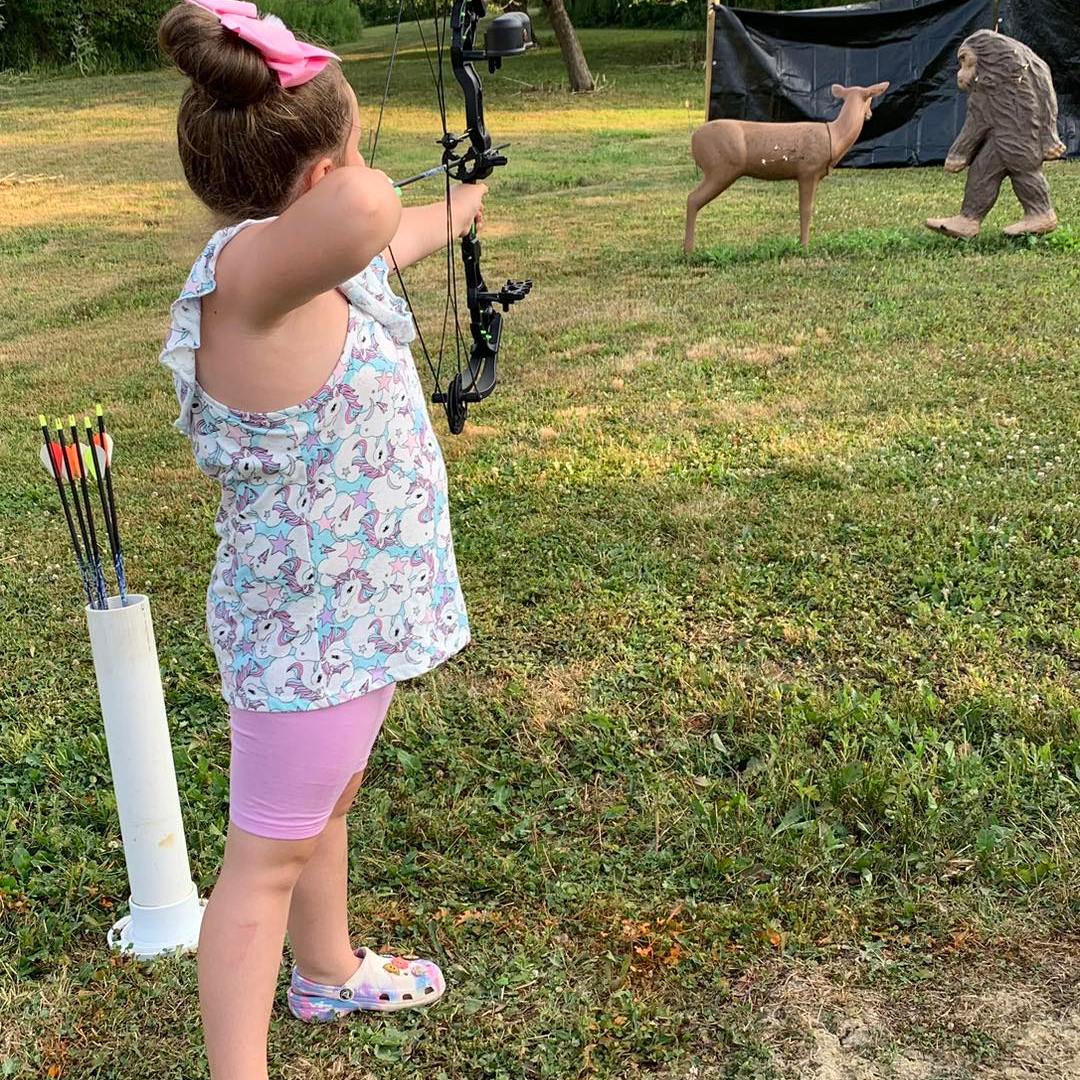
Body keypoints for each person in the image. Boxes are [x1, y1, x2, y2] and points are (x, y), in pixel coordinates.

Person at [157, 2, 484, 1075]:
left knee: (323, 808)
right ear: (319, 180)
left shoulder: (313, 268)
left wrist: (462, 203)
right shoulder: (244, 286)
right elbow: (368, 208)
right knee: (264, 859)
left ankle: (329, 971)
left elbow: (389, 227)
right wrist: (343, 145)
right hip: (305, 637)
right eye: (350, 157)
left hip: (353, 619)